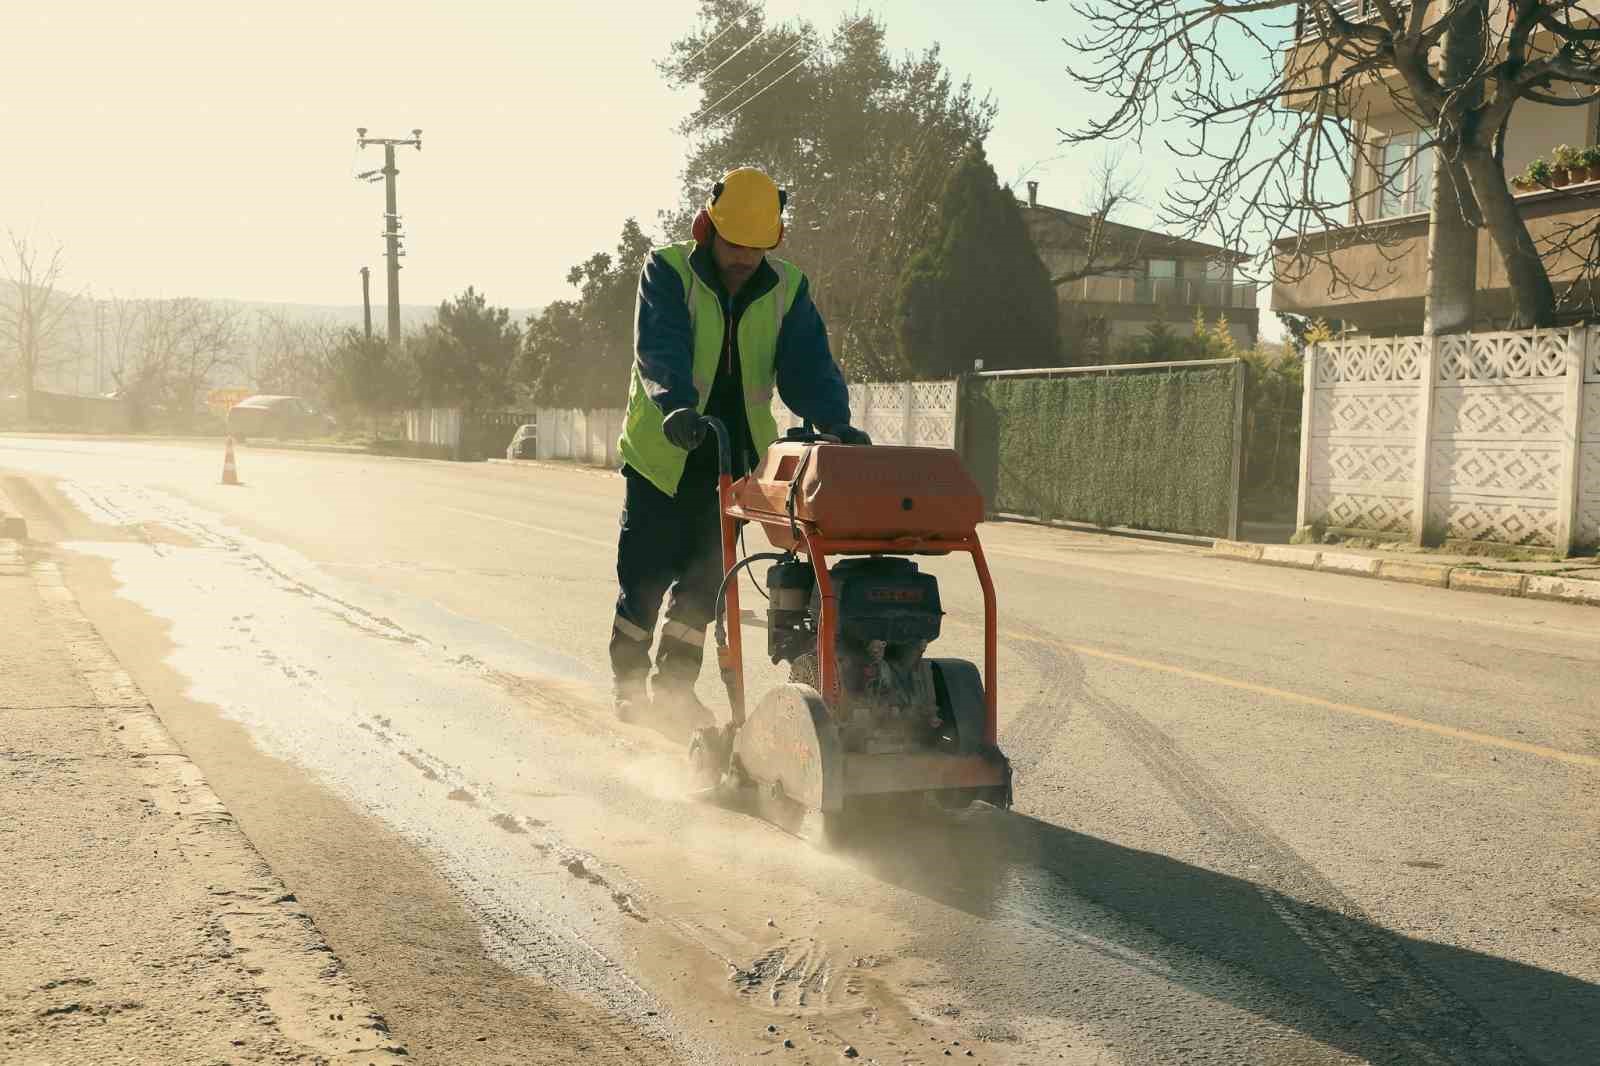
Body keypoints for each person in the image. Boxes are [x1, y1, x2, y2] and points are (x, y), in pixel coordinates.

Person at [610, 166, 868, 723]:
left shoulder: (787, 288)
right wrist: (674, 402)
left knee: (706, 583)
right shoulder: (668, 269)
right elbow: (660, 345)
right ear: (708, 228)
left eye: (757, 246)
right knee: (644, 581)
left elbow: (808, 366)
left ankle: (675, 688)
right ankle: (629, 684)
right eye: (735, 244)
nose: (745, 257)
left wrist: (834, 423)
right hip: (664, 451)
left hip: (733, 460)